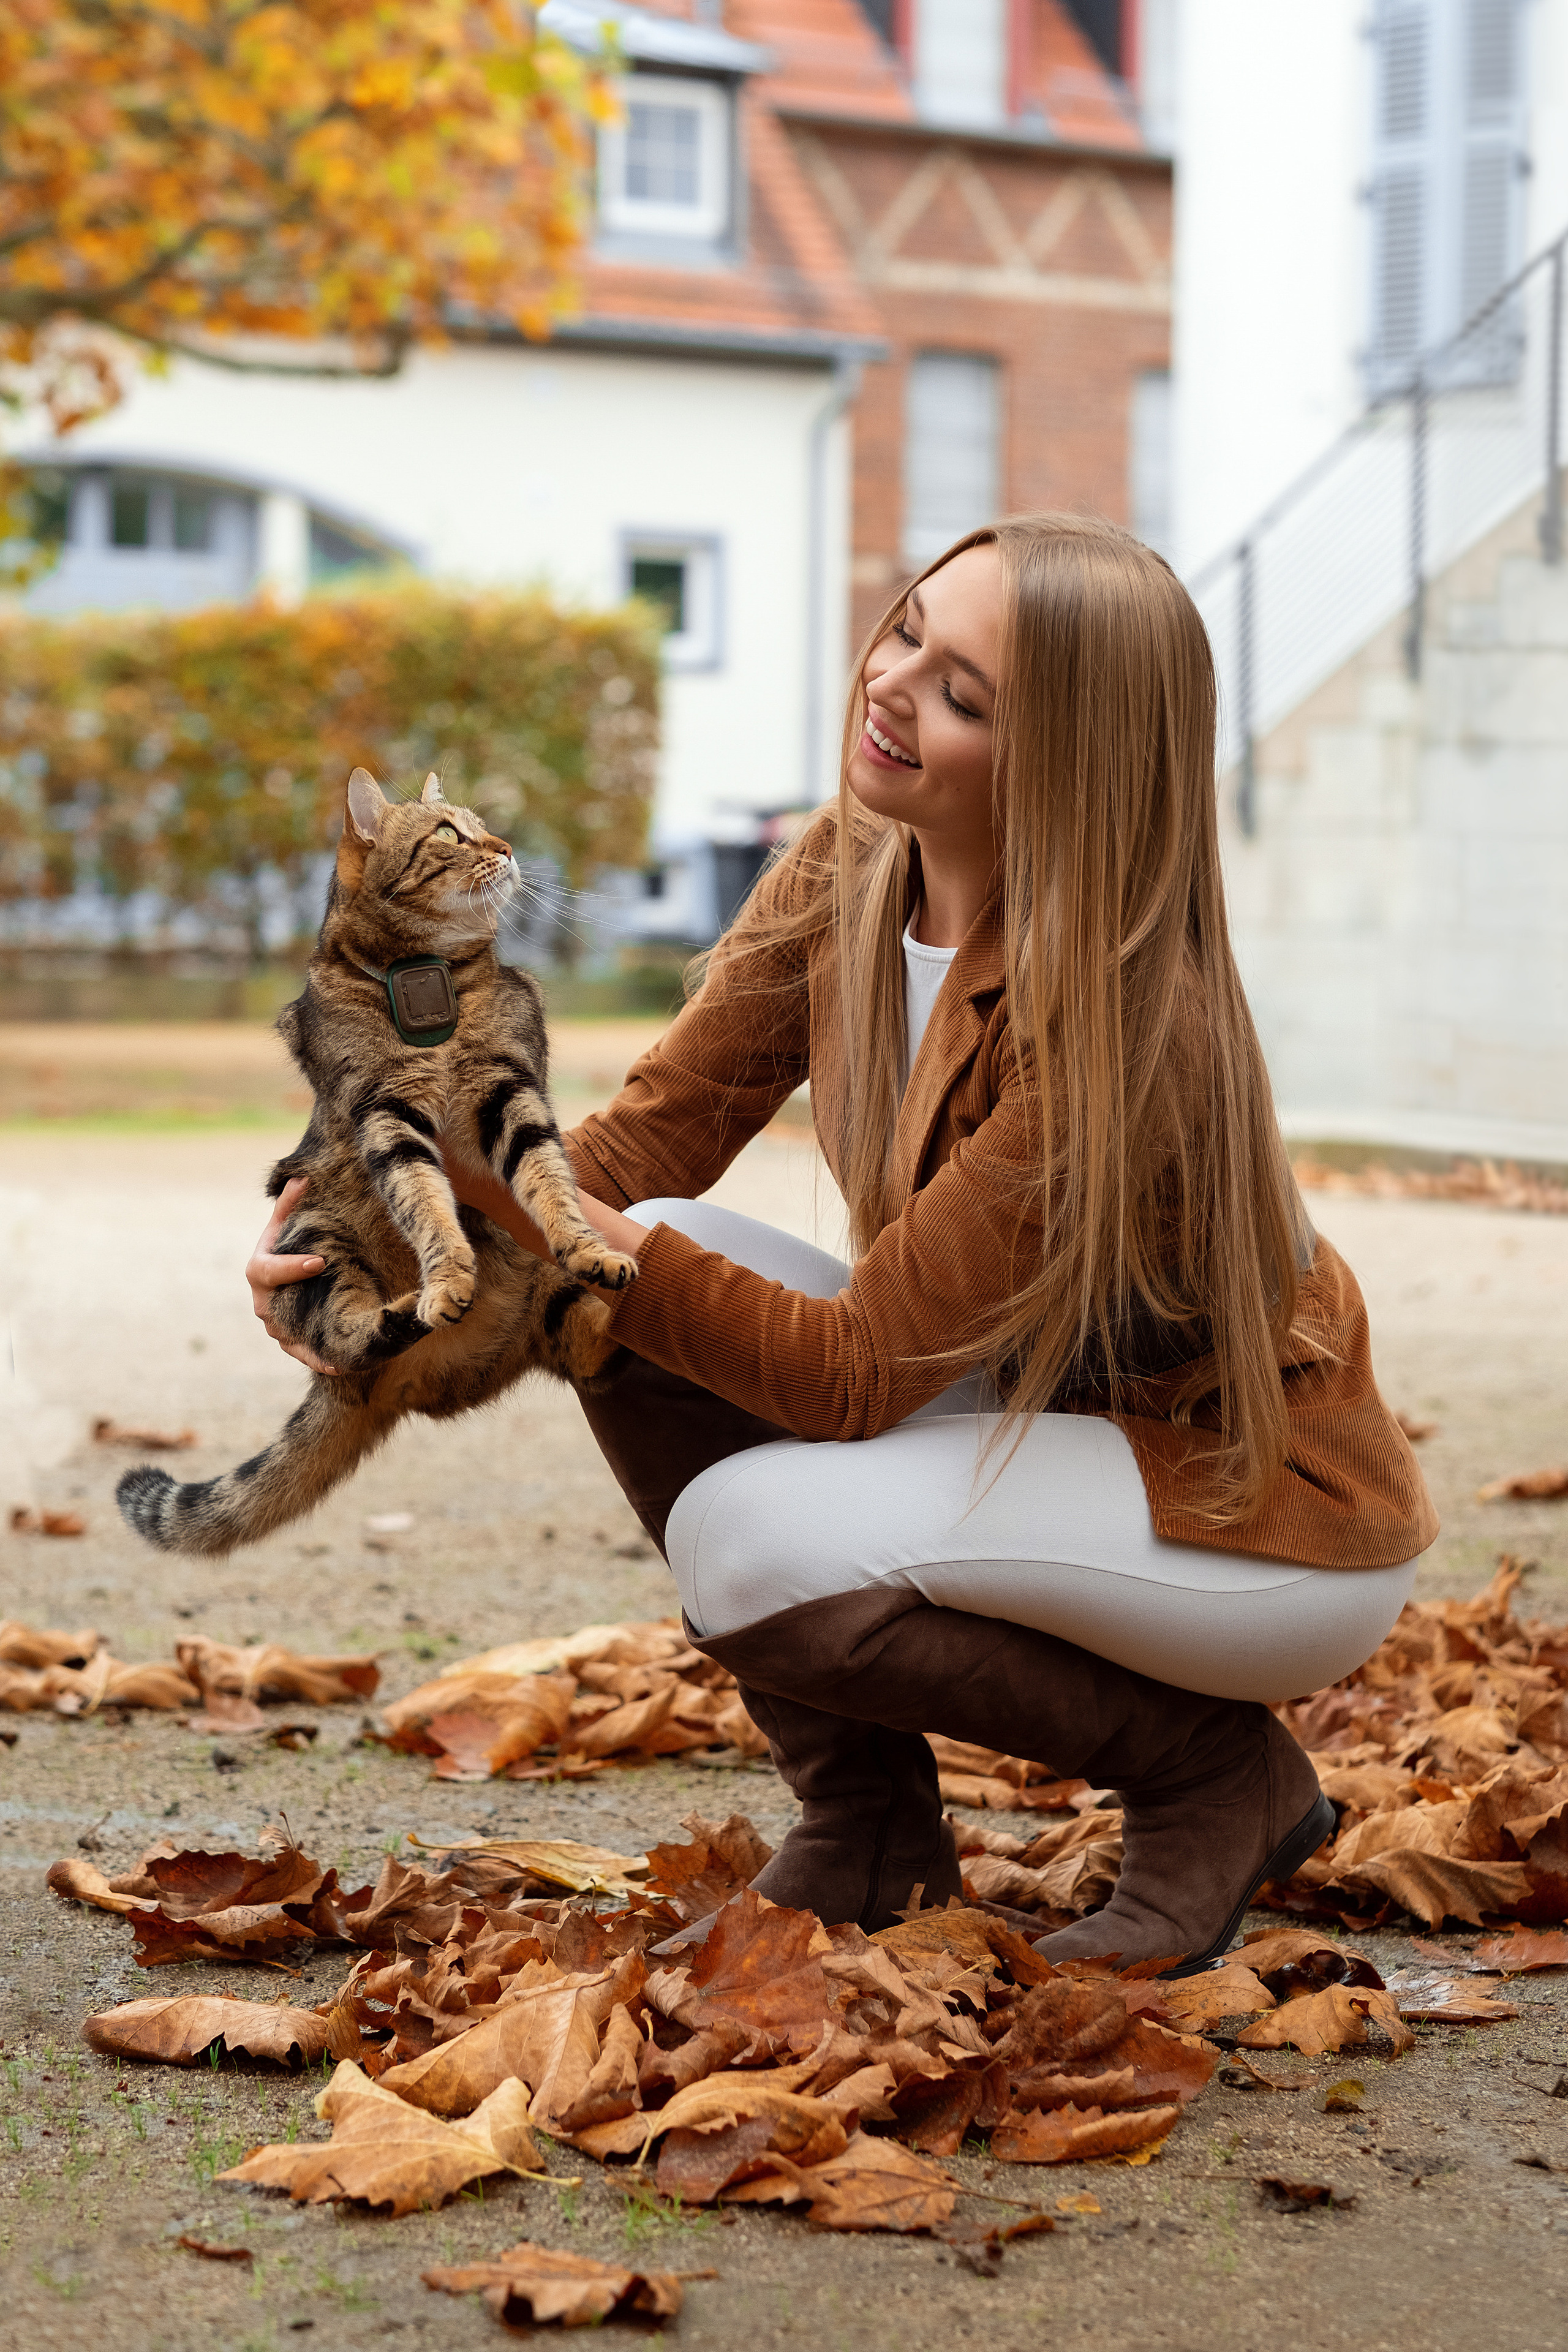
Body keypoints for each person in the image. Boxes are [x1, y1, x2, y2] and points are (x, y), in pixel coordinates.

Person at [249, 515, 1437, 1975]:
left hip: (1246, 1510)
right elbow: (637, 1152)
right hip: (1029, 1417)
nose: (891, 686)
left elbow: (850, 1381)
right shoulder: (858, 860)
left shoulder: (1127, 1016)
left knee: (754, 1544)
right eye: (906, 633)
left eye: (964, 696)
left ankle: (1214, 1776)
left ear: (1066, 765)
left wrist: (504, 1196)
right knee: (643, 1251)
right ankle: (869, 1823)